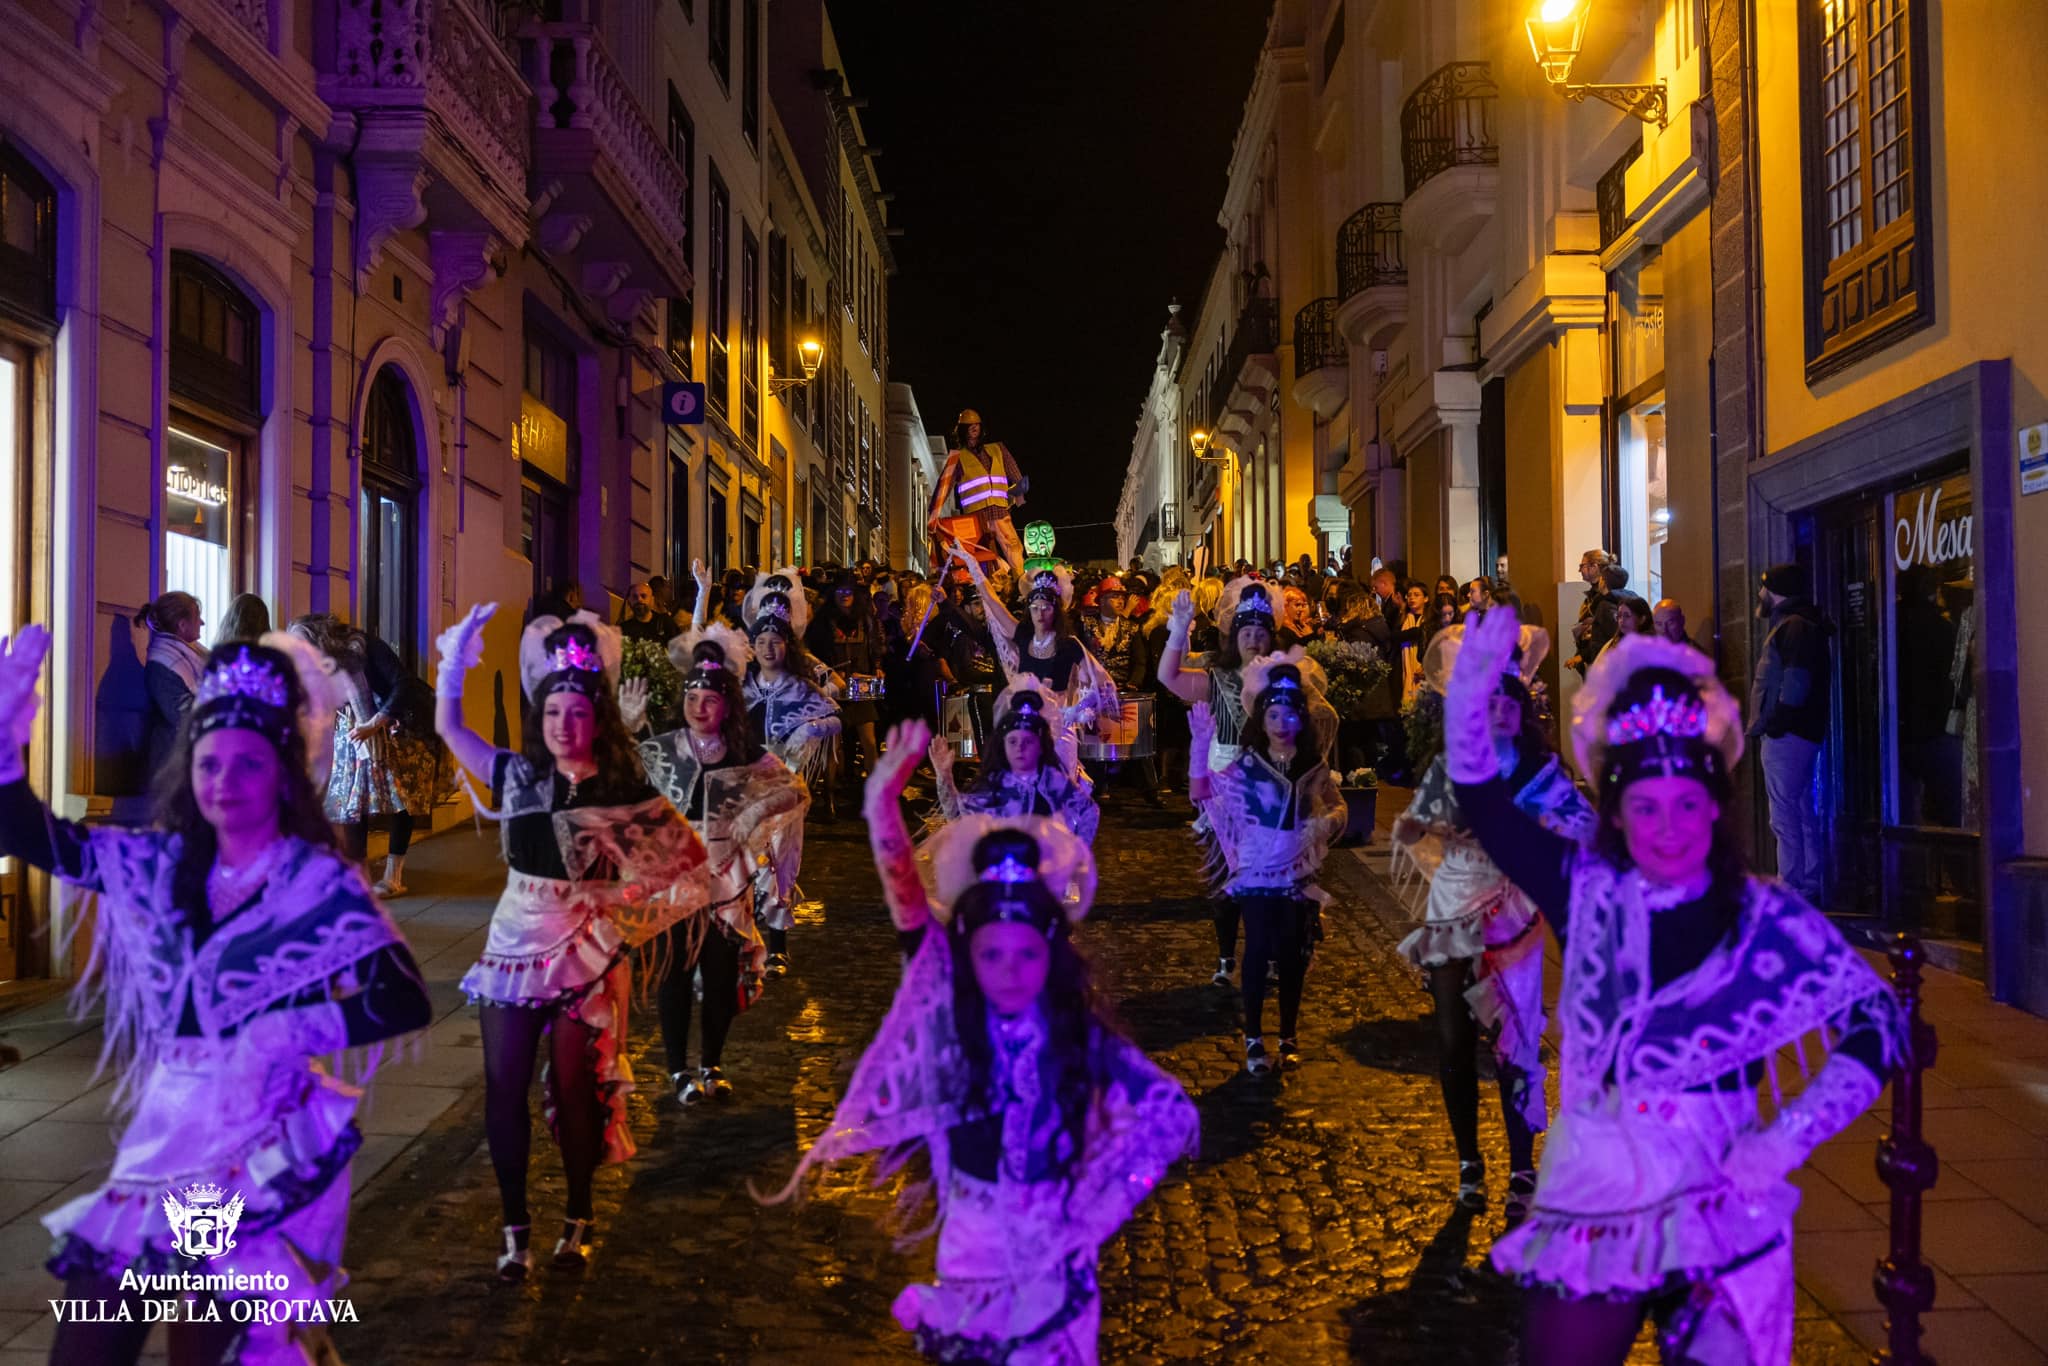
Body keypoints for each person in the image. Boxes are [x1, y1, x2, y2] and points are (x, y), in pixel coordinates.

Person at [1444, 608, 1903, 1364]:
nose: (1668, 827)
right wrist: (1468, 691)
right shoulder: (1577, 885)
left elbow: (1876, 1020)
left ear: (1716, 807)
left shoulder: (1765, 915)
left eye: (1686, 804)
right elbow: (1485, 803)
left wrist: (1786, 1139)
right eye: (1645, 807)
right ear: (1617, 816)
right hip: (1598, 1187)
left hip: (1721, 1191)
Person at [0, 627, 432, 1365]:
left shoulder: (312, 882)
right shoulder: (161, 863)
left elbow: (403, 998)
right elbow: (47, 842)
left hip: (245, 1148)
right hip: (160, 1141)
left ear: (281, 776)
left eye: (247, 764)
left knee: (202, 1342)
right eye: (209, 763)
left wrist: (289, 1031)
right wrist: (7, 756)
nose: (224, 781)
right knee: (88, 1341)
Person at [768, 720, 1198, 1363]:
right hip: (970, 1252)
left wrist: (1093, 1208)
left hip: (1055, 1268)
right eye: (991, 953)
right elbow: (911, 910)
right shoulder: (951, 1013)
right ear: (967, 957)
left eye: (1025, 954)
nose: (1008, 970)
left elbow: (1172, 1111)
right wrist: (881, 804)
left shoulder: (1077, 1033)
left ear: (1051, 958)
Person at [436, 605, 709, 1279]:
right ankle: (513, 1230)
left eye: (578, 714)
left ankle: (578, 1216)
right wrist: (454, 657)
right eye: (553, 713)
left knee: (574, 1082)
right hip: (511, 945)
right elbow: (450, 727)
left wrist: (621, 898)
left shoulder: (622, 789)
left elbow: (687, 863)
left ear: (598, 721)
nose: (563, 726)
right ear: (541, 717)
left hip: (586, 952)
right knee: (503, 1088)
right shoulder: (516, 775)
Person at [1391, 625, 1593, 1217]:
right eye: (1490, 702)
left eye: (1510, 702)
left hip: (1514, 922)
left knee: (1515, 1046)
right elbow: (1410, 826)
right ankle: (1468, 1163)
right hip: (1452, 911)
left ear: (1522, 710)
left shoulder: (1542, 775)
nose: (1500, 711)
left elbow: (1584, 829)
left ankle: (1523, 1165)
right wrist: (1423, 828)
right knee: (1453, 1041)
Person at [631, 625, 809, 1102]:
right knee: (673, 972)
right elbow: (626, 790)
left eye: (709, 698)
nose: (699, 707)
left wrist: (752, 813)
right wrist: (634, 732)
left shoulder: (743, 752)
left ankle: (711, 1063)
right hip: (677, 874)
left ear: (726, 703)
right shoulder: (665, 746)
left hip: (726, 875)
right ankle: (676, 1071)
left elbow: (794, 789)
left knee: (719, 972)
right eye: (692, 698)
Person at [1187, 650, 1345, 1076]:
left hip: (1298, 873)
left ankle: (1289, 1033)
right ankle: (1254, 1036)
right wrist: (1200, 745)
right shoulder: (1247, 765)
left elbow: (1336, 805)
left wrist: (1325, 824)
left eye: (1288, 715)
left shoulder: (1313, 766)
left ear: (1300, 719)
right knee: (1257, 948)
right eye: (1273, 715)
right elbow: (1204, 794)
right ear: (1262, 719)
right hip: (1256, 871)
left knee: (1292, 955)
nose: (1280, 723)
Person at [291, 613, 442, 897]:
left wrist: (376, 723)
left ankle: (393, 876)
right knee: (353, 803)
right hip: (356, 732)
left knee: (402, 800)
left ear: (320, 640)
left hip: (397, 726)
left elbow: (404, 684)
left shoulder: (365, 647)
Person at [954, 550, 1118, 728]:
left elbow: (1104, 683)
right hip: (1029, 727)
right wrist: (972, 563)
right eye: (1035, 608)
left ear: (1056, 611)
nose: (1040, 613)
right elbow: (994, 602)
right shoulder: (1023, 636)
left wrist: (1076, 709)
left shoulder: (1068, 644)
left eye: (1046, 607)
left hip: (1059, 729)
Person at [1750, 563, 1833, 906]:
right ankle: (1807, 881)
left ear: (1774, 589)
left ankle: (1792, 886)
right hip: (1798, 732)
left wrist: (1775, 722)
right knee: (1799, 809)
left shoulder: (1794, 626)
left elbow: (1794, 683)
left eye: (1763, 587)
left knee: (1784, 813)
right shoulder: (1799, 624)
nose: (1759, 594)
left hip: (1788, 735)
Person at [928, 682, 1100, 844]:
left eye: (1028, 741)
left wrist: (1076, 851)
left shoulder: (1052, 781)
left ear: (1040, 746)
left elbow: (1089, 811)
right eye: (1012, 742)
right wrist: (944, 776)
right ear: (1002, 745)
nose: (1020, 748)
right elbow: (960, 820)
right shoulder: (994, 782)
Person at [927, 409, 1029, 577]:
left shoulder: (998, 449)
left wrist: (1019, 493)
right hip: (975, 517)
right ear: (962, 430)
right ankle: (992, 583)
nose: (974, 429)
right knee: (983, 555)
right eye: (969, 426)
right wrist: (933, 515)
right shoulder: (958, 458)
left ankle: (1019, 581)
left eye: (976, 426)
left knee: (1012, 546)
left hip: (999, 510)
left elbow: (1015, 474)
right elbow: (943, 487)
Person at [135, 591, 207, 782]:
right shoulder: (163, 663)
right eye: (197, 617)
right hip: (173, 768)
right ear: (182, 625)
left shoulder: (189, 655)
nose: (202, 622)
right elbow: (182, 717)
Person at [1565, 550, 1615, 676]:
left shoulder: (1608, 598)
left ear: (1594, 567)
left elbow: (1606, 635)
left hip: (1602, 663)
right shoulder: (1594, 595)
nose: (1579, 570)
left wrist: (1582, 656)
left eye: (1582, 566)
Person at [618, 580, 672, 645]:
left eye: (643, 596)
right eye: (635, 597)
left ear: (652, 600)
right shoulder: (623, 629)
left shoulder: (665, 623)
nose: (639, 599)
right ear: (629, 601)